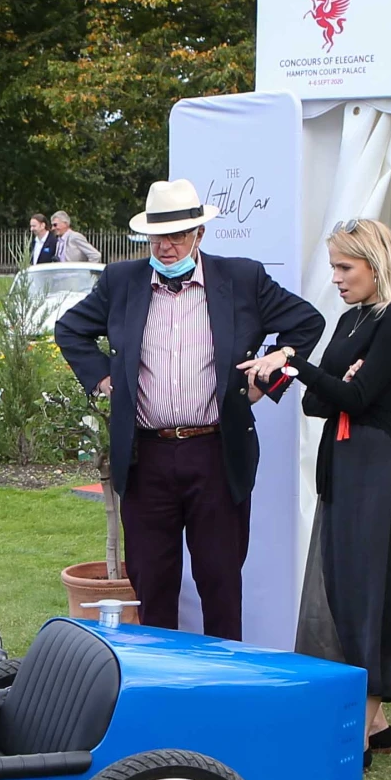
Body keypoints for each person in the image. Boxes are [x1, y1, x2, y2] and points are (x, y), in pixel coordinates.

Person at [56, 179, 323, 641]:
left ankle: (223, 677)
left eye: (177, 236)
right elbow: (69, 329)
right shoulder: (122, 281)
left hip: (216, 453)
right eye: (157, 237)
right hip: (145, 457)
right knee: (153, 585)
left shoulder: (241, 279)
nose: (166, 246)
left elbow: (307, 323)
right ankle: (162, 677)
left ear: (200, 234)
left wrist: (270, 375)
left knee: (221, 583)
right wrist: (104, 379)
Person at [288, 218, 391, 763]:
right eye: (333, 267)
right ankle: (375, 722)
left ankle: (361, 729)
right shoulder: (350, 320)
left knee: (368, 590)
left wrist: (302, 367)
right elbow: (317, 402)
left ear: (374, 263)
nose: (336, 278)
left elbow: (357, 398)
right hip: (342, 462)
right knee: (337, 584)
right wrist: (333, 383)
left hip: (376, 465)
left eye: (345, 267)